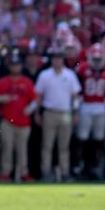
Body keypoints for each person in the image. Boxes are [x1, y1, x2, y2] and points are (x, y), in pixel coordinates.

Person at [34, 49, 80, 183]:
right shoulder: (45, 75)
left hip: (65, 112)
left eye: (60, 58)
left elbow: (75, 96)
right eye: (55, 58)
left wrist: (76, 112)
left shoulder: (70, 75)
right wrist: (37, 112)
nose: (57, 61)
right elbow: (38, 96)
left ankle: (65, 172)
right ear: (52, 60)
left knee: (64, 146)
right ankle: (46, 172)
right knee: (47, 146)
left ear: (63, 60)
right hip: (49, 112)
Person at [0, 51, 36, 183]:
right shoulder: (3, 82)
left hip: (24, 121)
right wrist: (1, 98)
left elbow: (35, 100)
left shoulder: (26, 82)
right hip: (7, 120)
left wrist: (31, 108)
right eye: (13, 65)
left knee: (22, 149)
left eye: (17, 65)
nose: (15, 67)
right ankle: (5, 173)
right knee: (7, 148)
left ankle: (23, 172)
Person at [75, 43, 105, 180]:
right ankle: (81, 166)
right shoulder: (82, 69)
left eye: (99, 59)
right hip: (86, 105)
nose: (97, 61)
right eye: (95, 59)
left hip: (101, 107)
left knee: (98, 139)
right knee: (83, 137)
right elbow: (77, 88)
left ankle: (95, 166)